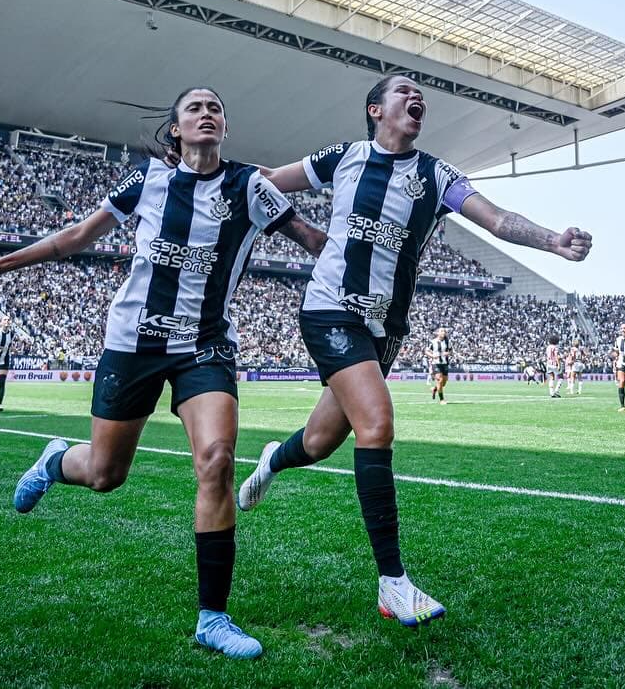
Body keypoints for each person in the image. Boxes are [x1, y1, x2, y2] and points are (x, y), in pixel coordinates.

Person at [0, 87, 326, 660]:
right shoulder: (147, 183)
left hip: (204, 348)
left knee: (217, 461)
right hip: (133, 345)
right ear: (176, 129)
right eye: (195, 108)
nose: (207, 114)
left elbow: (313, 242)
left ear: (224, 128)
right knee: (106, 475)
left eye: (216, 109)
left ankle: (213, 617)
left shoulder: (251, 188)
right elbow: (74, 238)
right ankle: (57, 460)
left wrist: (371, 275)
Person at [235, 74, 591, 629]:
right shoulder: (345, 157)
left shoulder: (434, 174)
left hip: (386, 329)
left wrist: (552, 240)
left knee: (321, 440)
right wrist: (300, 230)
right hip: (330, 310)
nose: (415, 95)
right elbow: (265, 182)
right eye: (403, 90)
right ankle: (392, 582)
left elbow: (495, 220)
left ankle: (273, 460)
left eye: (419, 92)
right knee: (376, 425)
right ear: (376, 109)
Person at [428, 327, 451, 403]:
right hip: (436, 363)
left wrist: (447, 353)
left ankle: (434, 389)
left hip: (444, 364)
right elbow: (426, 351)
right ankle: (442, 400)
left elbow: (450, 351)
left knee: (443, 383)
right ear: (438, 333)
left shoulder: (447, 342)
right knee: (440, 380)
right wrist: (432, 356)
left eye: (444, 331)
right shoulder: (433, 342)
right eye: (441, 331)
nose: (443, 332)